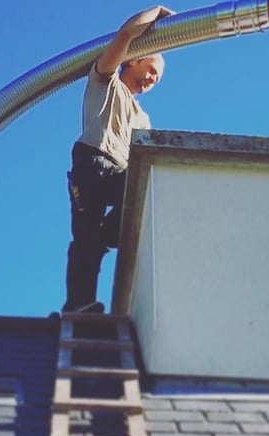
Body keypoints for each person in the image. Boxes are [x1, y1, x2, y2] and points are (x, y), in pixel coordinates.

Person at [62, 6, 174, 314]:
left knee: (143, 198)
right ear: (134, 60)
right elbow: (126, 34)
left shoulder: (143, 116)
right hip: (93, 164)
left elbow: (146, 158)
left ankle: (106, 239)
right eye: (152, 70)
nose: (153, 79)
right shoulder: (105, 81)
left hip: (122, 173)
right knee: (86, 241)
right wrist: (157, 11)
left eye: (158, 79)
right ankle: (79, 304)